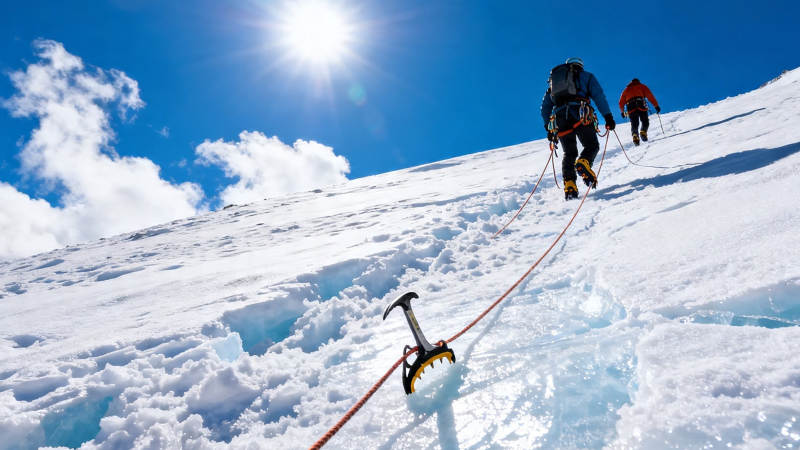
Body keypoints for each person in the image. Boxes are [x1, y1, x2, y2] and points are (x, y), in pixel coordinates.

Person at [541, 57, 615, 200]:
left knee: (569, 153)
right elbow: (599, 96)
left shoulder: (554, 83)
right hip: (580, 114)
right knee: (591, 145)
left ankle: (570, 185)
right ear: (580, 65)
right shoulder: (586, 76)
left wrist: (548, 129)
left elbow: (545, 108)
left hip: (560, 119)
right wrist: (608, 117)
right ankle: (584, 161)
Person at [619, 78, 660, 146]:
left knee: (634, 123)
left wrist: (622, 112)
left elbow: (621, 102)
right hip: (640, 103)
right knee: (645, 120)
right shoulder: (642, 86)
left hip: (630, 106)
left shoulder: (626, 90)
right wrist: (656, 105)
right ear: (638, 81)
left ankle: (635, 135)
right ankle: (643, 131)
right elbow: (650, 96)